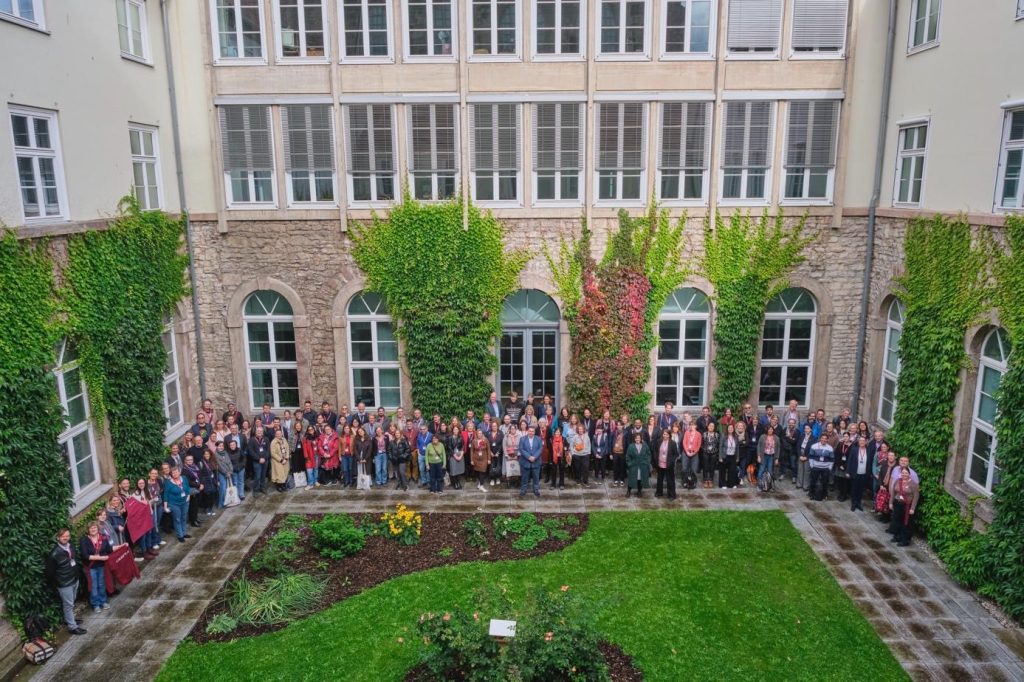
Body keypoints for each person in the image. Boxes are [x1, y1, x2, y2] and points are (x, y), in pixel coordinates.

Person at [46, 529, 86, 635]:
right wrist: (58, 583)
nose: (65, 538)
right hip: (65, 583)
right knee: (68, 604)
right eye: (63, 536)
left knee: (71, 602)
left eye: (67, 536)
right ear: (58, 538)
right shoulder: (54, 554)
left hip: (74, 579)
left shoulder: (71, 546)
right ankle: (72, 627)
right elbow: (50, 573)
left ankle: (70, 619)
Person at [79, 522, 113, 613]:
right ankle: (96, 604)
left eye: (94, 528)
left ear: (98, 528)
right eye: (91, 528)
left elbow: (109, 549)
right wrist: (101, 558)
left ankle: (103, 601)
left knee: (101, 584)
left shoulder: (103, 537)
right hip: (91, 567)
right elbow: (85, 556)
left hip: (101, 565)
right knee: (93, 586)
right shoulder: (84, 540)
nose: (93, 529)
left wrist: (122, 546)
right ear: (88, 530)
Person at [889, 468, 919, 546]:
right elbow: (893, 493)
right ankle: (897, 537)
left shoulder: (913, 484)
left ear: (909, 474)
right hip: (897, 504)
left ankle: (905, 540)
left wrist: (912, 508)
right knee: (897, 521)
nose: (904, 474)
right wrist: (891, 503)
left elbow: (916, 496)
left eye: (906, 473)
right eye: (903, 473)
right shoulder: (898, 481)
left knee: (906, 523)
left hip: (907, 505)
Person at [165, 466, 191, 542]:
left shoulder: (184, 478)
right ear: (171, 474)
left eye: (176, 472)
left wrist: (188, 496)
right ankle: (180, 535)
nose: (175, 474)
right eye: (173, 473)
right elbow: (166, 494)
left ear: (179, 472)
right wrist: (165, 506)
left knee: (184, 517)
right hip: (174, 504)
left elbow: (188, 488)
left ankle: (184, 533)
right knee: (177, 519)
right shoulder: (169, 483)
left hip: (185, 502)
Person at [847, 435, 871, 511]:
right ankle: (853, 503)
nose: (862, 442)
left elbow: (870, 463)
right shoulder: (854, 449)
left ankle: (858, 503)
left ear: (866, 442)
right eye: (860, 441)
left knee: (861, 489)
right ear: (858, 442)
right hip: (855, 472)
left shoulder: (868, 451)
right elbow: (849, 461)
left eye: (863, 441)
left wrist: (869, 473)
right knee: (854, 488)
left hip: (864, 473)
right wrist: (848, 471)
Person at [518, 425, 543, 498]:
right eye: (530, 431)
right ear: (527, 431)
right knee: (524, 478)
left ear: (534, 432)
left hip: (536, 461)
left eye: (532, 431)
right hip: (525, 461)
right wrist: (529, 457)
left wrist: (534, 457)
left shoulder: (538, 439)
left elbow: (540, 448)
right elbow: (521, 449)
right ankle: (523, 490)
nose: (531, 432)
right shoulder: (522, 439)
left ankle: (536, 490)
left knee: (536, 477)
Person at [808, 433, 834, 500]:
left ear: (827, 440)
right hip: (816, 467)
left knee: (825, 482)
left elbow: (832, 459)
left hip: (825, 468)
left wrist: (829, 467)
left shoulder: (830, 448)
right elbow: (811, 456)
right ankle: (811, 493)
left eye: (825, 439)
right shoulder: (814, 446)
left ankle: (825, 495)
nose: (824, 440)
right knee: (813, 481)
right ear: (820, 439)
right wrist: (812, 465)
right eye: (822, 438)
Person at [654, 430, 678, 499]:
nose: (665, 436)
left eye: (667, 434)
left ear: (669, 435)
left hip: (668, 465)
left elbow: (676, 454)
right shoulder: (659, 442)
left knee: (670, 480)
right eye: (664, 434)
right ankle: (659, 493)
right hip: (660, 463)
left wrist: (671, 461)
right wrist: (656, 459)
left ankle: (671, 495)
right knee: (659, 479)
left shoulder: (673, 443)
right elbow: (655, 451)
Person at [625, 433, 651, 498]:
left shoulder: (645, 446)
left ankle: (639, 491)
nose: (637, 439)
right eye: (636, 438)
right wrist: (629, 464)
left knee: (640, 479)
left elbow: (648, 454)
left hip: (642, 466)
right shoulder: (631, 446)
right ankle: (628, 491)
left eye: (639, 438)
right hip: (634, 465)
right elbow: (628, 456)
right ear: (634, 439)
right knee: (631, 479)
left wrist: (647, 462)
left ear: (641, 438)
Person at [247, 426, 270, 495]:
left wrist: (264, 458)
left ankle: (262, 488)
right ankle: (256, 490)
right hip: (257, 461)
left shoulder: (266, 439)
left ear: (263, 432)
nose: (259, 432)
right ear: (255, 432)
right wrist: (258, 459)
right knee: (257, 476)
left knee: (263, 475)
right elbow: (251, 451)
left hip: (265, 461)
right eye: (258, 431)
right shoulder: (251, 440)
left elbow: (268, 450)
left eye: (261, 431)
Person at [719, 423, 739, 489]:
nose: (730, 429)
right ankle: (723, 484)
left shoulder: (735, 436)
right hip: (725, 456)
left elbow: (737, 448)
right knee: (723, 471)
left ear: (733, 429)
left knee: (732, 471)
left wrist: (737, 457)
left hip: (732, 456)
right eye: (729, 428)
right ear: (727, 429)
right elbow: (720, 447)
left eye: (732, 428)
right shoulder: (723, 436)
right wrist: (720, 457)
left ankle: (731, 484)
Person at [199, 449, 219, 514]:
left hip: (212, 481)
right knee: (207, 495)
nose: (207, 455)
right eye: (205, 454)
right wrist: (202, 483)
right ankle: (207, 509)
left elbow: (213, 471)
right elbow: (199, 474)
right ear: (203, 455)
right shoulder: (201, 463)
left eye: (208, 454)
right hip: (205, 481)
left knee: (212, 495)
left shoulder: (210, 461)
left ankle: (211, 508)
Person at [701, 422, 720, 488]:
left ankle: (711, 480)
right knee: (705, 467)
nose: (711, 427)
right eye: (710, 426)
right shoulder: (704, 434)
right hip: (705, 453)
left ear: (714, 427)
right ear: (708, 427)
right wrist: (704, 449)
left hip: (714, 453)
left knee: (712, 467)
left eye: (712, 426)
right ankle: (705, 480)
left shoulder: (717, 435)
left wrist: (716, 450)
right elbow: (701, 443)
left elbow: (718, 444)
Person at [470, 427, 490, 492]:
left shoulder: (485, 440)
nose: (480, 434)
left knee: (483, 472)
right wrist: (472, 460)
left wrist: (489, 459)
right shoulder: (474, 441)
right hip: (476, 459)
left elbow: (488, 450)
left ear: (482, 434)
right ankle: (480, 483)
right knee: (477, 472)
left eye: (481, 433)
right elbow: (472, 451)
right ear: (476, 434)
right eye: (478, 433)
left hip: (484, 458)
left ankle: (481, 485)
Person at [796, 423, 813, 490]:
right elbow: (798, 446)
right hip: (801, 455)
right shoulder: (802, 436)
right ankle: (799, 484)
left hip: (807, 456)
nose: (806, 430)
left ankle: (806, 485)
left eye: (808, 428)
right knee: (800, 470)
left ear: (811, 429)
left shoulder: (813, 438)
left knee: (807, 471)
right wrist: (800, 455)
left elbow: (813, 449)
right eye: (805, 428)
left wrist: (807, 457)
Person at [487, 421, 504, 486]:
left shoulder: (501, 433)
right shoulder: (488, 433)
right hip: (490, 452)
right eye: (493, 426)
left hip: (498, 453)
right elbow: (487, 443)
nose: (494, 427)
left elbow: (502, 444)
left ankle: (497, 478)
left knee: (498, 466)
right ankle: (492, 479)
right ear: (491, 426)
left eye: (495, 426)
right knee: (491, 466)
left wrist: (498, 452)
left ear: (497, 426)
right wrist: (490, 452)